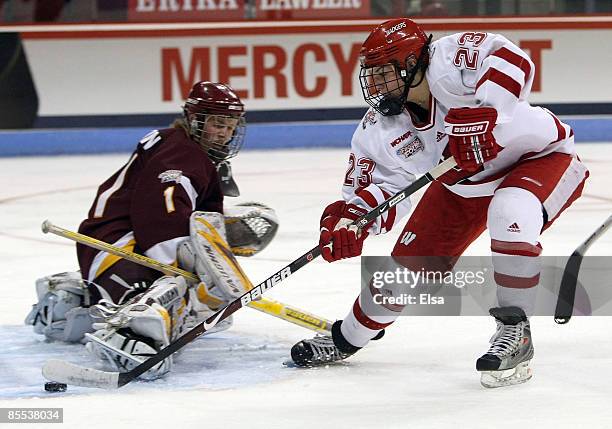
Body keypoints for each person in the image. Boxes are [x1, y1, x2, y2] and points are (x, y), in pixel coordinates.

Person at [290, 19, 588, 388]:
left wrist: (488, 113)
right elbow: (384, 189)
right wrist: (353, 222)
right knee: (397, 280)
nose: (377, 85)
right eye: (372, 75)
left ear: (414, 64)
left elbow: (513, 59)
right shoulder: (381, 128)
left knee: (510, 210)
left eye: (384, 73)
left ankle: (516, 331)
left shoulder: (448, 63)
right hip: (460, 189)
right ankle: (345, 337)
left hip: (540, 158)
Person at [26, 81, 279, 379]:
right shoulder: (184, 156)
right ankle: (128, 338)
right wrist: (175, 269)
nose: (225, 132)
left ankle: (73, 304)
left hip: (112, 240)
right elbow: (160, 212)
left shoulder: (178, 144)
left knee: (182, 296)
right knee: (170, 293)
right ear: (195, 119)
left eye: (230, 125)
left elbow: (182, 212)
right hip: (115, 246)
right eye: (217, 123)